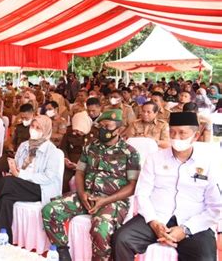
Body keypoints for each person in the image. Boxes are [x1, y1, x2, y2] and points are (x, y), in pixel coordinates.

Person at [112, 112, 221, 261]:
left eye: (182, 133)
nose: (176, 137)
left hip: (193, 221)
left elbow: (216, 206)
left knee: (205, 257)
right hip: (157, 216)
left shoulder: (208, 163)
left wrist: (185, 229)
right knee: (122, 239)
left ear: (195, 136)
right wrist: (154, 222)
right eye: (173, 132)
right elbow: (142, 193)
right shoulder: (155, 158)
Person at [42, 109, 140, 261]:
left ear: (119, 130)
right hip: (87, 194)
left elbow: (133, 186)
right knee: (50, 210)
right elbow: (80, 172)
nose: (102, 130)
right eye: (100, 126)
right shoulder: (90, 147)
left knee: (101, 229)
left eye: (107, 127)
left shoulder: (130, 152)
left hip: (113, 200)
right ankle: (63, 252)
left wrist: (105, 201)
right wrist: (81, 193)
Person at [0, 116, 63, 243]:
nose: (33, 130)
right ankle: (1, 237)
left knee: (6, 182)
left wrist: (21, 174)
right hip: (21, 184)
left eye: (38, 128)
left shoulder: (53, 151)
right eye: (32, 126)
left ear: (46, 130)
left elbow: (48, 177)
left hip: (41, 189)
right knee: (5, 198)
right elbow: (18, 166)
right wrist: (14, 169)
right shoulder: (24, 145)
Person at [0, 103, 33, 185]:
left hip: (27, 158)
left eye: (26, 118)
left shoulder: (37, 128)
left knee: (19, 174)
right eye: (22, 117)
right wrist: (10, 147)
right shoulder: (19, 127)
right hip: (14, 155)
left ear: (32, 114)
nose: (24, 120)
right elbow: (12, 141)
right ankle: (0, 187)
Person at [59, 111, 96, 193]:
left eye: (80, 131)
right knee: (62, 179)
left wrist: (81, 166)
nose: (78, 133)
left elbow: (94, 154)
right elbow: (63, 148)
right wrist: (66, 160)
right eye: (76, 130)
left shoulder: (94, 133)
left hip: (86, 164)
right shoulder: (69, 132)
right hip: (69, 163)